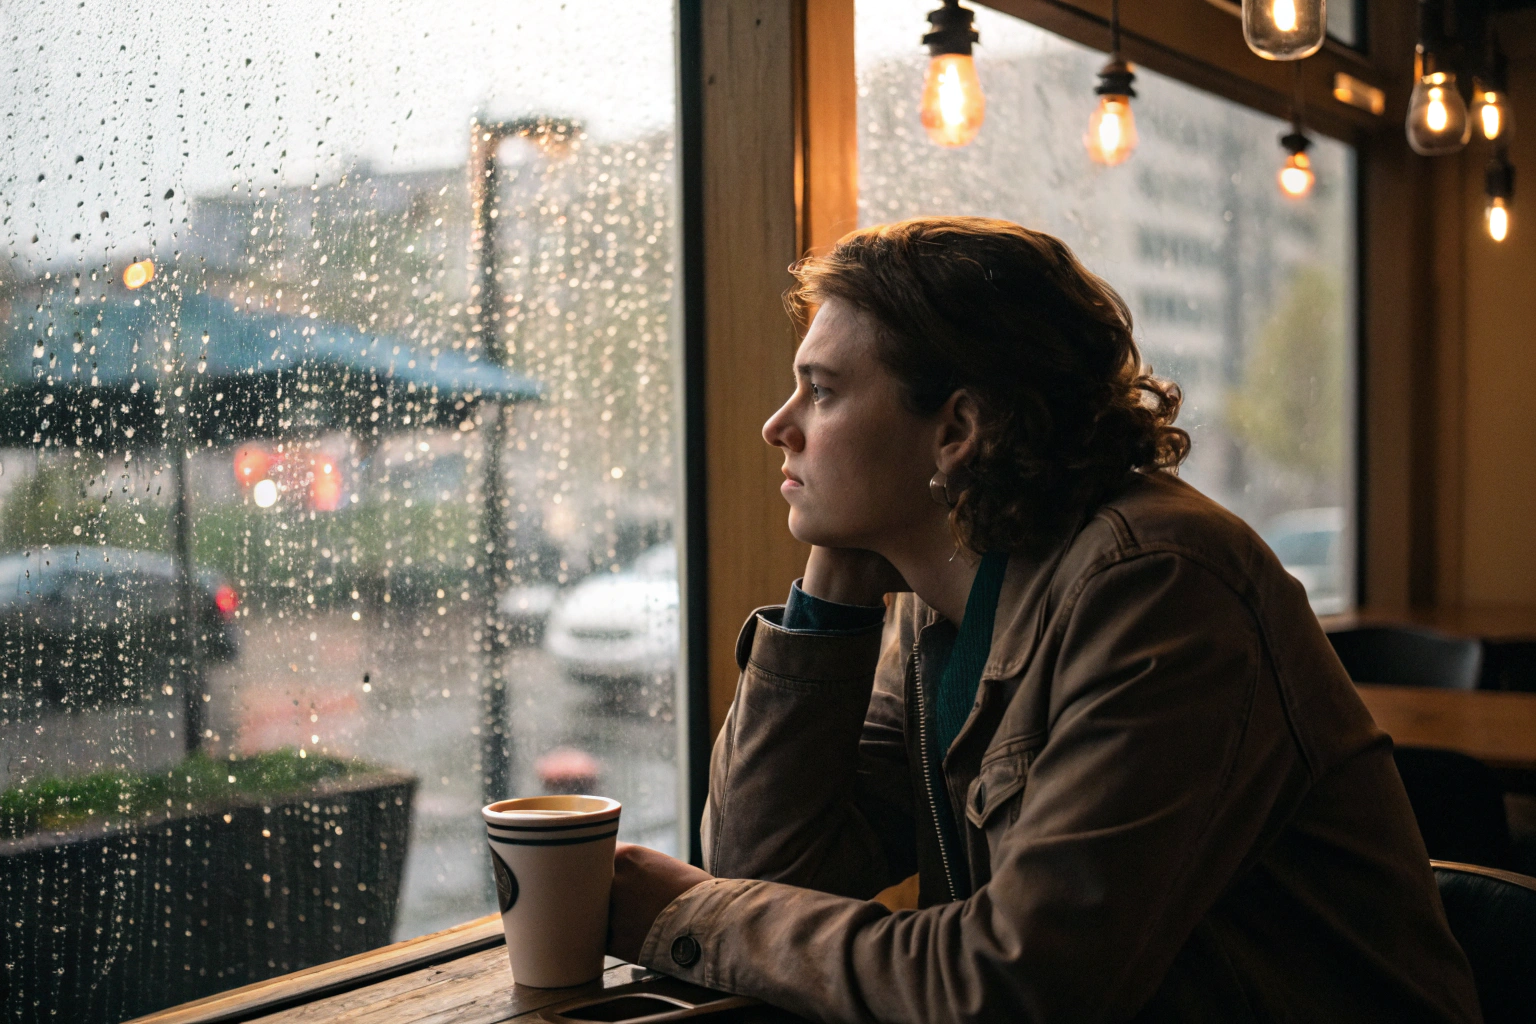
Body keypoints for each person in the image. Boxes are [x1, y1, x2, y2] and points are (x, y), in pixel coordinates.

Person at [606, 217, 1481, 1022]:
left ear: (956, 430)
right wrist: (832, 584)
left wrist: (689, 918)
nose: (776, 427)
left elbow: (1017, 989)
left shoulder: (1156, 586)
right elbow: (765, 867)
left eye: (822, 392)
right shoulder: (936, 606)